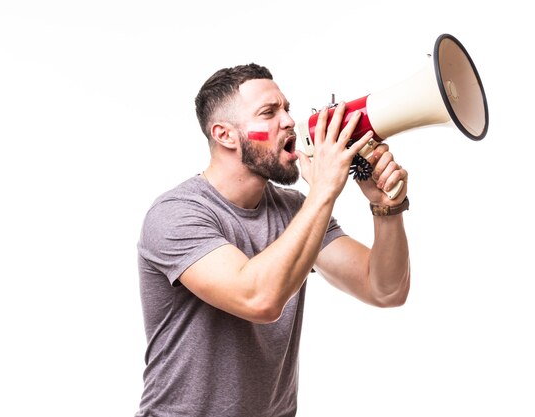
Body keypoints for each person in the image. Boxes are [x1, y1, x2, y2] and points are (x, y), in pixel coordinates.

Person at [135, 63, 410, 416]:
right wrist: (324, 190)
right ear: (225, 135)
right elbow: (259, 298)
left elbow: (384, 289)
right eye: (269, 112)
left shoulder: (296, 209)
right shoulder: (177, 214)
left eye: (287, 109)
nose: (288, 122)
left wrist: (385, 208)